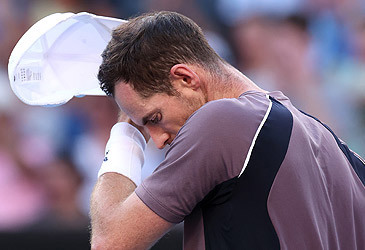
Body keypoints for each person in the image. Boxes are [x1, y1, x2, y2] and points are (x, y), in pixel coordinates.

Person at [90, 11, 365, 249]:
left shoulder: (221, 121)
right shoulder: (337, 147)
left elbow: (110, 242)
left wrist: (126, 133)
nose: (159, 140)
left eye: (153, 118)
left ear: (186, 78)